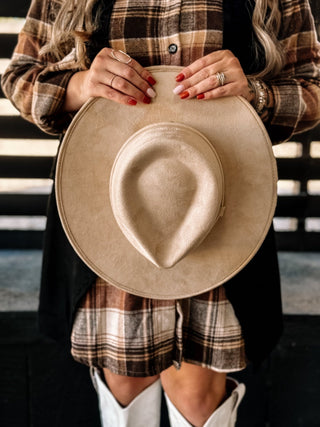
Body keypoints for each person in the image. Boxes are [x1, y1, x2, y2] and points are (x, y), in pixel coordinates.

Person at [2, 0, 320, 426]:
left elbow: (311, 90)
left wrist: (255, 94)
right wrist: (79, 85)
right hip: (111, 221)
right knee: (126, 391)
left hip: (219, 221)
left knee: (199, 400)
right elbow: (20, 77)